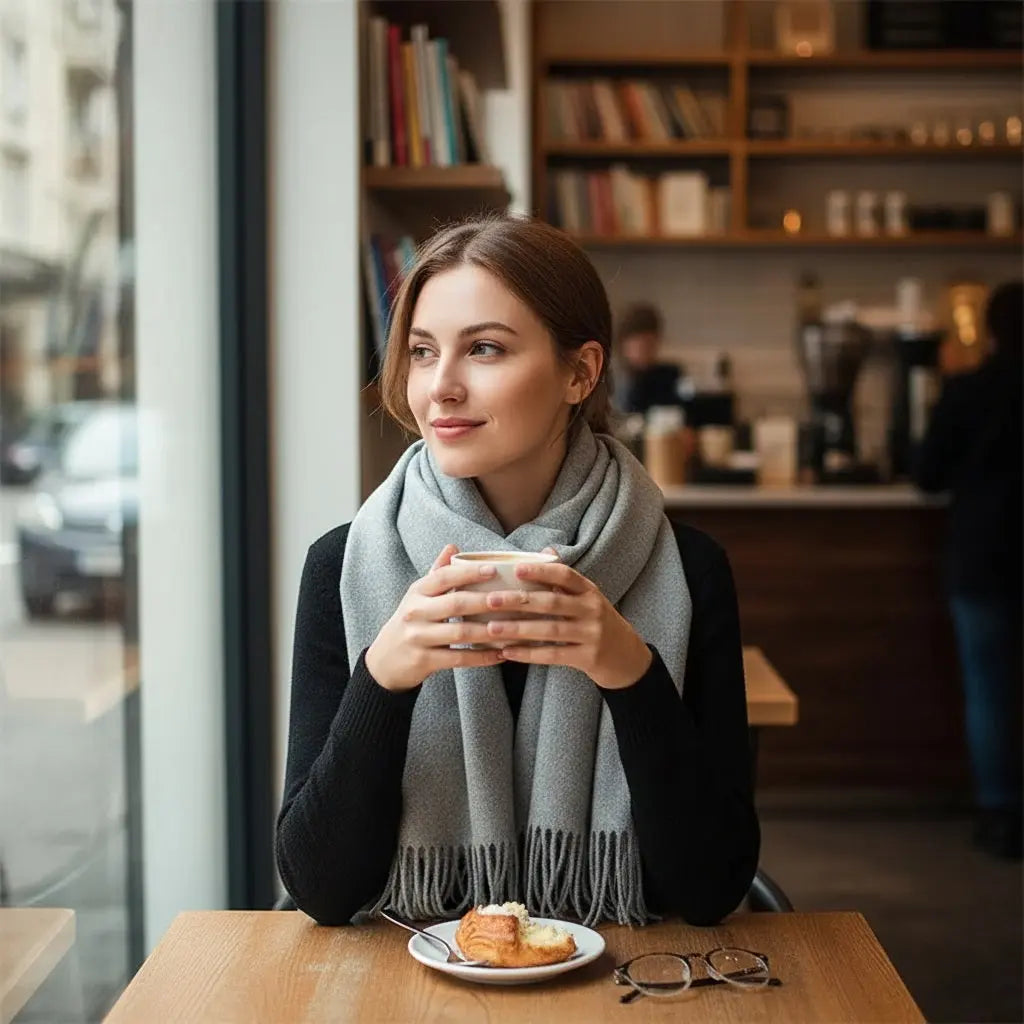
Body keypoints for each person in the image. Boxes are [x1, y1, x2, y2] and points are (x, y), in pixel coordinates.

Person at [276, 216, 759, 927]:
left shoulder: (688, 570)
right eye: (421, 351)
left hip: (623, 985)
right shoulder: (343, 567)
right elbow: (320, 891)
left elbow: (709, 889)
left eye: (485, 349)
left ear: (580, 372)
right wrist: (383, 678)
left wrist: (629, 669)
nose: (439, 387)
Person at [914, 280, 1023, 860]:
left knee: (990, 689)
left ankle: (1001, 814)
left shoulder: (969, 390)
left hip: (984, 555)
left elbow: (927, 473)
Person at [613, 302, 683, 415]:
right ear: (623, 345)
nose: (647, 353)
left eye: (651, 345)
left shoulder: (668, 376)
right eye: (642, 346)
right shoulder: (613, 381)